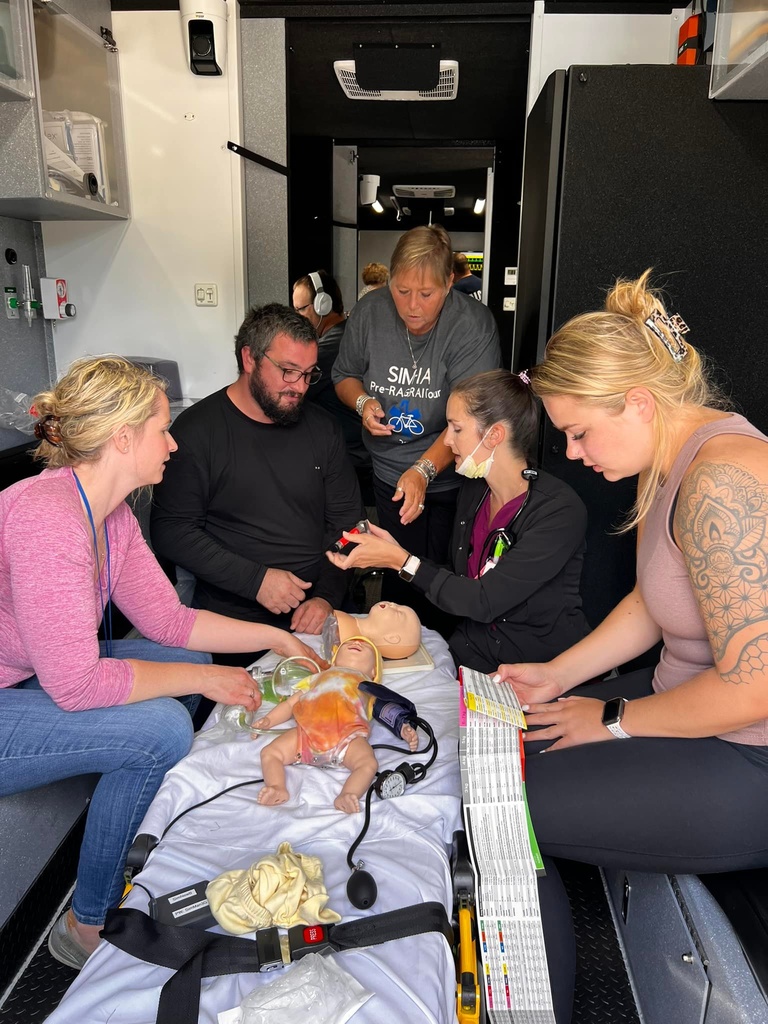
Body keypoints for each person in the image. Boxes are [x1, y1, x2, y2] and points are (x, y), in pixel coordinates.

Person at [493, 271, 768, 1024]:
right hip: (699, 717)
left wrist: (610, 718)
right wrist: (557, 676)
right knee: (505, 751)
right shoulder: (672, 461)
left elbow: (754, 688)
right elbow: (655, 599)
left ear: (640, 403)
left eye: (580, 432)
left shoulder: (724, 481)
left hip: (752, 757)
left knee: (505, 810)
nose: (575, 454)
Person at [0, 357, 317, 971]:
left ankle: (140, 817)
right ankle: (84, 923)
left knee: (186, 653)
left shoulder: (107, 514)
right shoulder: (47, 520)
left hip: (28, 669)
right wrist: (206, 680)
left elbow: (171, 621)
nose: (173, 443)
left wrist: (272, 639)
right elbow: (77, 684)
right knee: (163, 730)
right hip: (23, 687)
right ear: (123, 438)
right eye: (163, 430)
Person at [328, 370, 590, 672]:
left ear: (494, 435)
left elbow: (483, 600)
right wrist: (394, 554)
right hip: (472, 651)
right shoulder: (475, 491)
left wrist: (402, 561)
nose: (447, 441)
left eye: (456, 428)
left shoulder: (558, 512)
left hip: (538, 668)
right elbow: (459, 581)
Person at [151, 304, 364, 663]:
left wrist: (326, 596)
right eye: (287, 371)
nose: (299, 387)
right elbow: (171, 530)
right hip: (233, 623)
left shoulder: (322, 429)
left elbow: (347, 525)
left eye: (309, 374)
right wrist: (256, 580)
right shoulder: (196, 432)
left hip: (317, 615)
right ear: (249, 358)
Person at [332, 225, 501, 629]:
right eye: (402, 290)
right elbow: (344, 375)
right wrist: (364, 402)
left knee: (444, 580)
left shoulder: (471, 326)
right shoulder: (371, 313)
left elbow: (474, 421)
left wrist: (423, 471)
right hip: (389, 474)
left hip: (454, 478)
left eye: (426, 294)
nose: (412, 306)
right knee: (398, 580)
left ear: (449, 283)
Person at [254, 636, 418, 813]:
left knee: (368, 764)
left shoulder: (368, 687)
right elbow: (289, 704)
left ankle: (348, 794)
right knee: (270, 752)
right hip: (306, 735)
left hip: (348, 739)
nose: (357, 643)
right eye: (348, 643)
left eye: (366, 646)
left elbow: (389, 712)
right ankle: (277, 787)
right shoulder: (316, 678)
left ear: (374, 671)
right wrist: (269, 720)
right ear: (334, 660)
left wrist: (404, 728)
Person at [292, 270, 372, 504]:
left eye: (301, 309)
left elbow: (292, 391)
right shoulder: (344, 335)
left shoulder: (329, 348)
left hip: (352, 459)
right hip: (357, 455)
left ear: (323, 304)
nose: (297, 317)